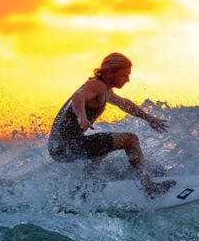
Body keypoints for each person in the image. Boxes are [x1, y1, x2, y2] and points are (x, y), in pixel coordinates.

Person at [47, 52, 174, 197]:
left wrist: (149, 118)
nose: (128, 79)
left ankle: (80, 189)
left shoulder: (104, 89)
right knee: (130, 139)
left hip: (58, 148)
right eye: (124, 75)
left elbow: (124, 104)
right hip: (67, 146)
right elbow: (78, 96)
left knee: (105, 145)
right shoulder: (96, 85)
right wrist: (81, 116)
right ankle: (149, 186)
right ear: (110, 72)